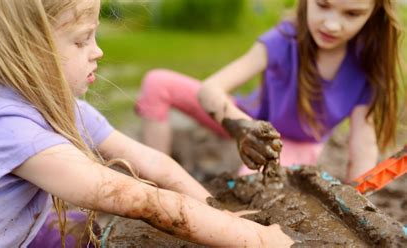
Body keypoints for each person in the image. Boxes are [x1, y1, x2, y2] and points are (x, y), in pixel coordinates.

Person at [0, 0, 294, 247]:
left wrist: (220, 213)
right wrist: (257, 240)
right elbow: (137, 199)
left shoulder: (63, 108)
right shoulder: (8, 129)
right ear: (25, 53)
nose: (98, 50)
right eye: (81, 40)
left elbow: (153, 164)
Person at [135, 0, 402, 182]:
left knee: (250, 187)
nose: (332, 24)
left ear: (373, 15)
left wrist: (357, 197)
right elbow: (211, 89)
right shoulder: (284, 40)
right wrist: (243, 128)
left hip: (294, 143)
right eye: (323, 4)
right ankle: (155, 178)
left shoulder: (366, 70)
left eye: (352, 14)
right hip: (246, 119)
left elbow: (363, 147)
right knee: (157, 83)